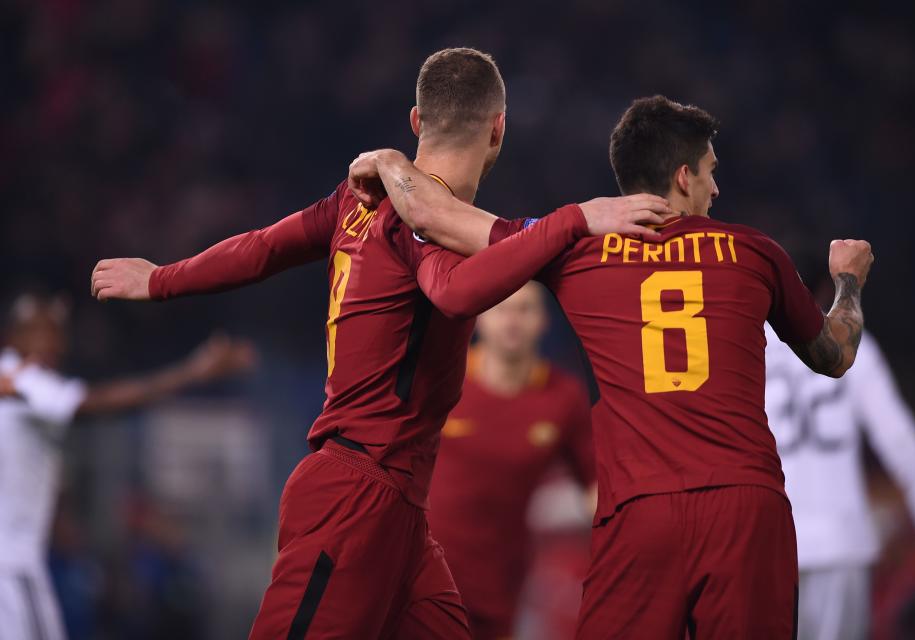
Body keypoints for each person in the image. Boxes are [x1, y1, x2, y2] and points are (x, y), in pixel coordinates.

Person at [89, 48, 670, 639]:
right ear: (499, 128)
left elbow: (263, 247)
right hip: (355, 493)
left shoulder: (356, 200)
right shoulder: (421, 218)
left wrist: (162, 277)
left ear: (416, 121)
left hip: (399, 511)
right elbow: (453, 292)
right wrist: (573, 219)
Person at [347, 94, 875, 638]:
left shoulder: (577, 249)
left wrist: (390, 161)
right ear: (684, 176)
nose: (717, 189)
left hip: (639, 512)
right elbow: (835, 356)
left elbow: (437, 218)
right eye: (712, 172)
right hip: (744, 506)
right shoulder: (754, 252)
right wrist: (848, 281)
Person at [0, 291, 254, 640]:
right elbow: (96, 403)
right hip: (11, 568)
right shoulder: (20, 377)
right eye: (38, 330)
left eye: (56, 331)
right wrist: (193, 372)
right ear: (12, 336)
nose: (52, 342)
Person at [765, 311, 915, 640]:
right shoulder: (851, 341)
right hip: (840, 544)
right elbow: (898, 438)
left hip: (768, 547)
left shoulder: (745, 342)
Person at [428, 282, 594, 639]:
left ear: (544, 320)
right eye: (502, 309)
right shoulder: (439, 380)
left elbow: (595, 489)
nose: (513, 321)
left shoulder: (564, 399)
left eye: (525, 309)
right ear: (479, 319)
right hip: (424, 573)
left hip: (502, 578)